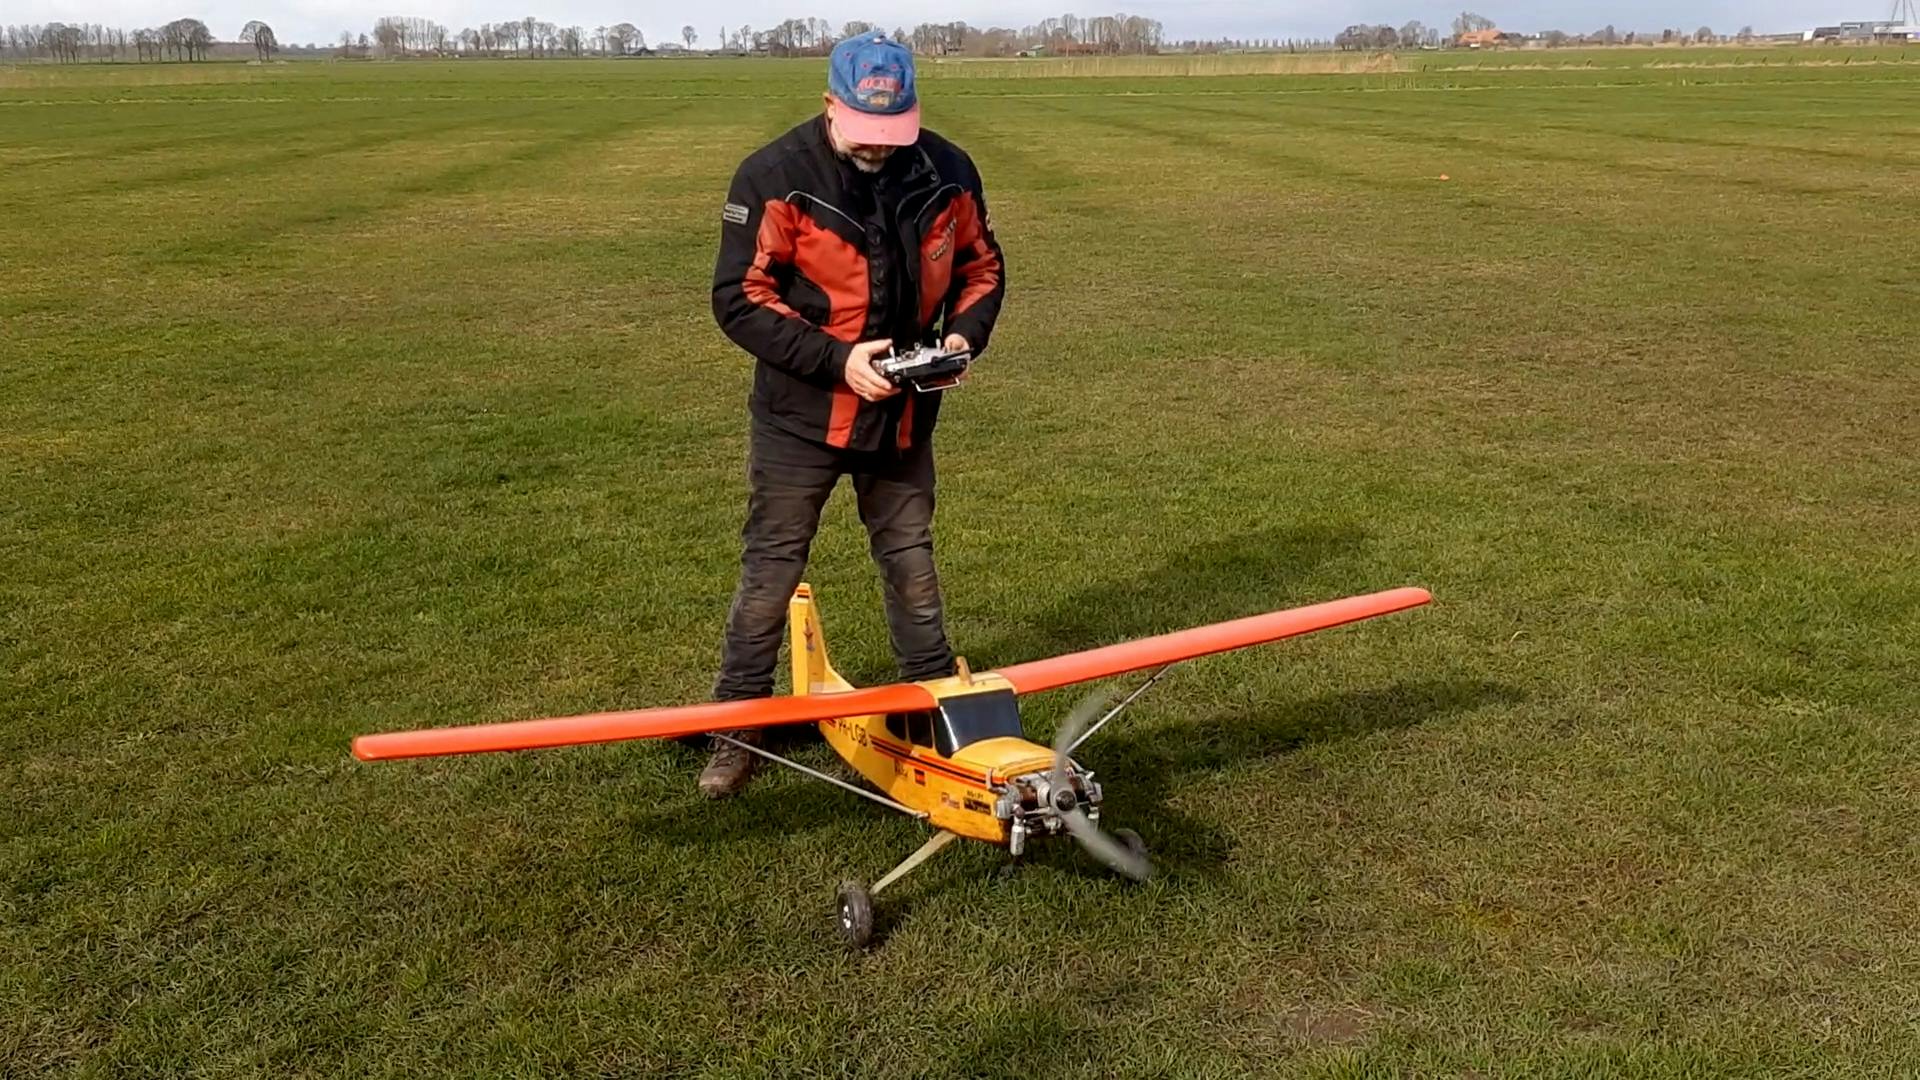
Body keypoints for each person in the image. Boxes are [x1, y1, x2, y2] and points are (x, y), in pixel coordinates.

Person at [700, 32, 1007, 797]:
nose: (878, 151)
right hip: (799, 419)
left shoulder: (949, 171)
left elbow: (982, 266)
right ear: (829, 105)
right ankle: (737, 724)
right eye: (864, 137)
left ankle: (932, 708)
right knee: (771, 570)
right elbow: (737, 298)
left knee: (913, 566)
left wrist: (964, 338)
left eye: (892, 135)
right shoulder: (773, 176)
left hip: (903, 419)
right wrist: (839, 361)